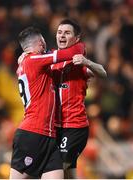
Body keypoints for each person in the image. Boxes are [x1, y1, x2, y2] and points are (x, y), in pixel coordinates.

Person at [9, 26, 86, 179]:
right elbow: (73, 52)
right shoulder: (33, 60)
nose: (45, 47)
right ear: (40, 44)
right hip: (32, 133)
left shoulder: (29, 63)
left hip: (50, 135)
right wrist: (80, 43)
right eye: (43, 43)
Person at [51, 19, 107, 178]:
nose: (62, 36)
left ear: (76, 39)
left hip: (75, 126)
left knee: (56, 168)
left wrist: (87, 62)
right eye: (59, 32)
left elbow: (103, 73)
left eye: (67, 33)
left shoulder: (79, 63)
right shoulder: (52, 61)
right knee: (69, 173)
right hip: (56, 127)